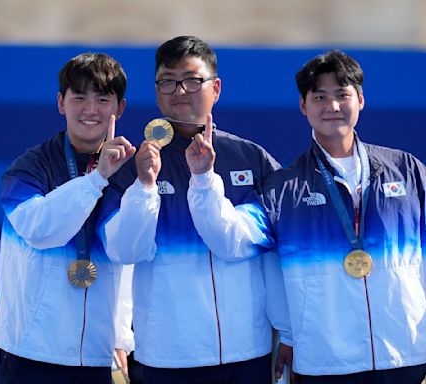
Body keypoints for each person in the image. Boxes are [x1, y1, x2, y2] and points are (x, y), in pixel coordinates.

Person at [187, 49, 426, 384]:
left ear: (361, 100)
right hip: (326, 362)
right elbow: (229, 241)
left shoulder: (408, 172)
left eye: (342, 95)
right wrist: (204, 178)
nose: (332, 106)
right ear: (303, 106)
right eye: (320, 96)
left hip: (406, 354)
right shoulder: (283, 189)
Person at [98, 35, 293, 384]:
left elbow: (267, 253)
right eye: (168, 82)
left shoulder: (252, 159)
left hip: (246, 351)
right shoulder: (133, 166)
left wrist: (289, 332)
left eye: (192, 80)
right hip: (167, 355)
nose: (180, 91)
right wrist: (144, 187)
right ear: (157, 91)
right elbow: (122, 251)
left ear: (215, 88)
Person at [0, 52, 137, 384]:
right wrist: (97, 179)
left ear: (120, 108)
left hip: (99, 356)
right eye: (79, 97)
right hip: (29, 351)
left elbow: (126, 261)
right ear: (61, 103)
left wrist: (120, 338)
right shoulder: (29, 168)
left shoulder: (128, 172)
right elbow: (39, 230)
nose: (90, 109)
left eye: (103, 98)